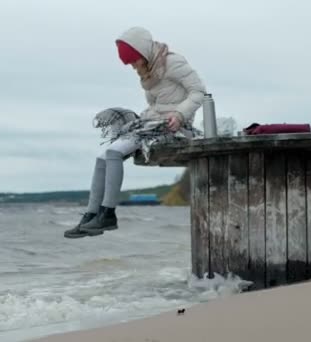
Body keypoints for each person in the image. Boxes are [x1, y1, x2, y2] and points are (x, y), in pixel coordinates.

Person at [64, 27, 206, 239]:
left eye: (133, 61)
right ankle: (92, 215)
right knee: (102, 158)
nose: (132, 66)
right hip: (153, 122)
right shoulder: (149, 69)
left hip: (174, 126)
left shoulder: (173, 63)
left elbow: (198, 91)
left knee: (114, 152)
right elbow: (158, 104)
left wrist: (179, 115)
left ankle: (108, 214)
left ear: (143, 52)